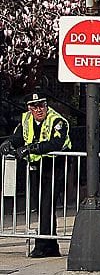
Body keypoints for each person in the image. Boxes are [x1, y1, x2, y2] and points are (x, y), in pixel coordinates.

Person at [0, 92, 72, 257]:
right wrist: (9, 143)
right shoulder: (26, 119)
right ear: (29, 108)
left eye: (41, 105)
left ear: (46, 105)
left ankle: (42, 245)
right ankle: (51, 245)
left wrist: (31, 148)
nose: (39, 109)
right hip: (35, 167)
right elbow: (19, 137)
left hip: (54, 166)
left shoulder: (58, 121)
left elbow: (57, 142)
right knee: (40, 206)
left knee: (46, 206)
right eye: (34, 106)